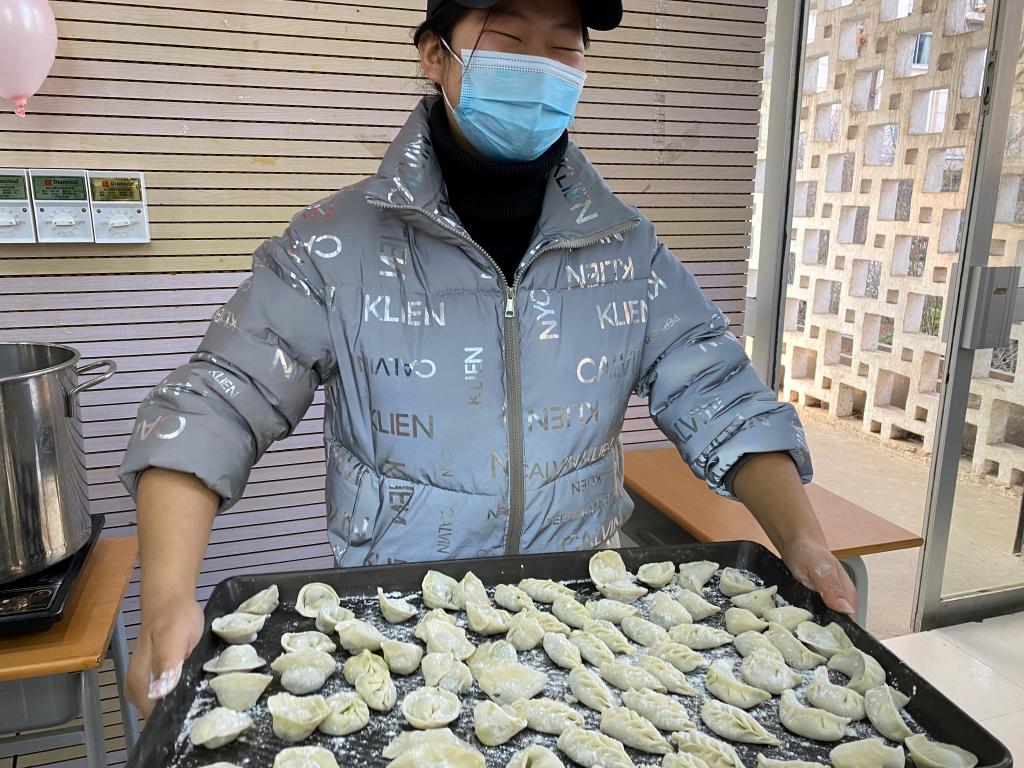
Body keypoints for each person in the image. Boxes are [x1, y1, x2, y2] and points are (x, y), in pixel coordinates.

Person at [120, 0, 857, 715]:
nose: (540, 66)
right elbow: (215, 405)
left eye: (564, 46)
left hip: (583, 625)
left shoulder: (625, 250)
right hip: (398, 627)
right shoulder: (333, 247)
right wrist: (167, 599)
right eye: (508, 39)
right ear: (434, 55)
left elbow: (722, 395)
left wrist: (803, 541)